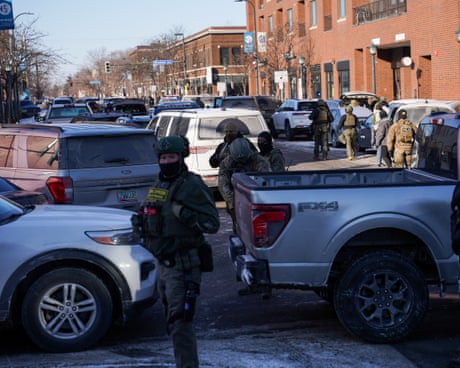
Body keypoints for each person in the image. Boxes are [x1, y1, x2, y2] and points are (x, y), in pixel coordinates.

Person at [131, 136, 220, 368]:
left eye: (172, 157)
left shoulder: (191, 185)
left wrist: (185, 214)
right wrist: (140, 221)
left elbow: (212, 223)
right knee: (172, 322)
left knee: (181, 323)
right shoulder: (160, 185)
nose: (167, 161)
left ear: (181, 158)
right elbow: (151, 212)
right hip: (164, 266)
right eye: (163, 157)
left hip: (184, 267)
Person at [218, 137, 271, 231]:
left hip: (256, 200)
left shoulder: (260, 162)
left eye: (244, 160)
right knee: (239, 230)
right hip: (235, 199)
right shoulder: (227, 163)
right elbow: (223, 184)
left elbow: (266, 183)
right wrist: (232, 203)